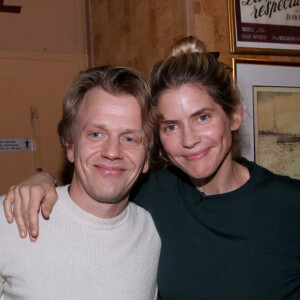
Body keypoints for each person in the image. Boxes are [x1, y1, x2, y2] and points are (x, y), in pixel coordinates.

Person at [3, 36, 300, 299]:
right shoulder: (154, 195)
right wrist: (44, 180)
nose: (189, 140)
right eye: (171, 126)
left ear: (235, 116)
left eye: (203, 117)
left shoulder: (290, 205)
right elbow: (94, 191)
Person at [0, 66, 161, 299]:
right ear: (70, 146)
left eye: (129, 138)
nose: (112, 152)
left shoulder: (153, 232)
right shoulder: (11, 220)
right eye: (96, 134)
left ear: (147, 157)